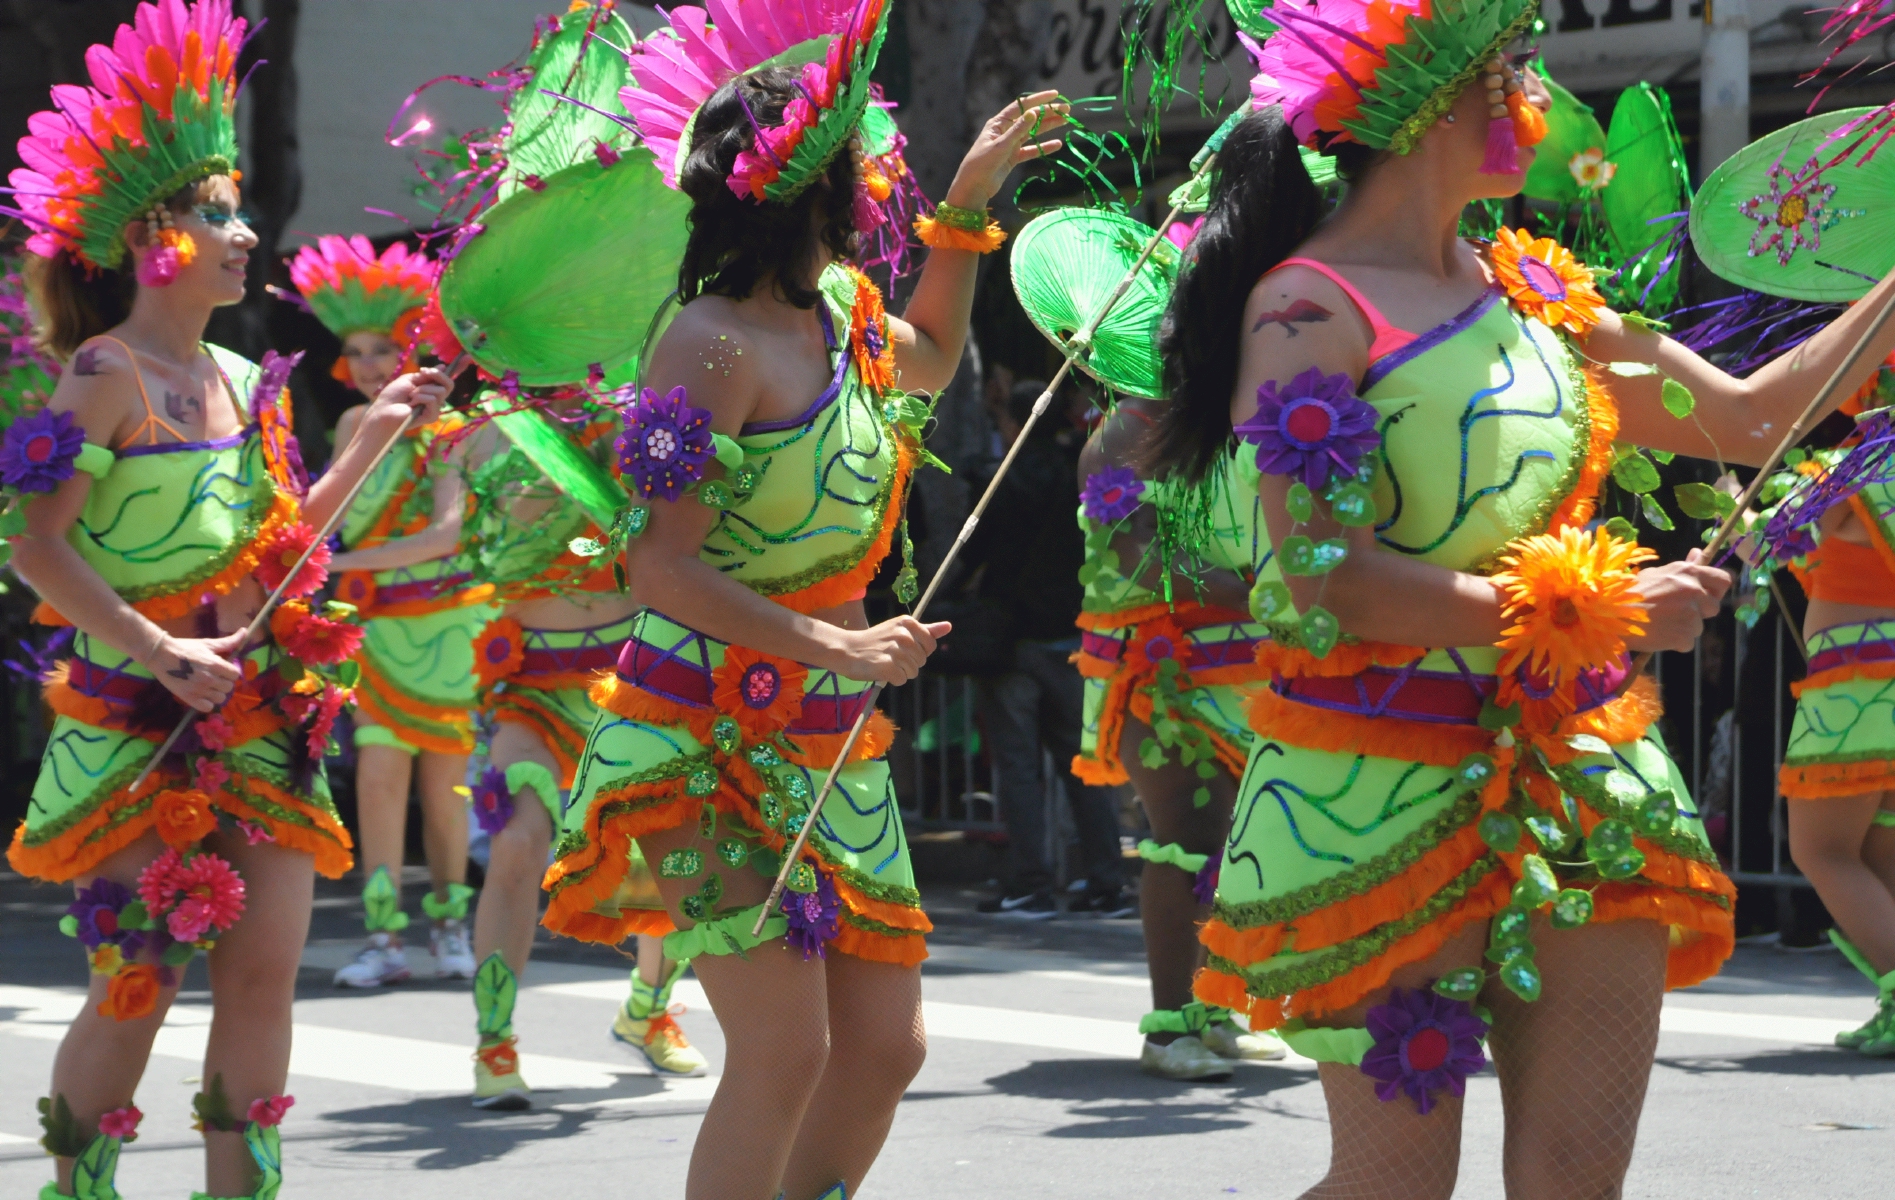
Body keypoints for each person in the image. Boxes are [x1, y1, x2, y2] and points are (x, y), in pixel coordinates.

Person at [1148, 0, 1895, 1192]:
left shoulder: (1533, 292)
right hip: (1373, 795)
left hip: (1583, 789)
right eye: (1512, 66)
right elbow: (1323, 578)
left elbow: (1751, 417)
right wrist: (1596, 611)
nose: (1534, 93)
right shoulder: (1309, 307)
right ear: (1442, 96)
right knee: (1396, 1182)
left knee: (1575, 1179)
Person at [536, 2, 1066, 1195]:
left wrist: (967, 207)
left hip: (831, 732)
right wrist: (832, 638)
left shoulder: (849, 322)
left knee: (885, 1050)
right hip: (695, 738)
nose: (883, 175)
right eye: (865, 160)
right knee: (783, 1052)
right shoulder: (706, 346)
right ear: (806, 187)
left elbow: (930, 353)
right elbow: (658, 567)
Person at [2, 4, 447, 1196]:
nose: (244, 233)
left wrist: (378, 438)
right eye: (217, 212)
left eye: (236, 207)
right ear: (152, 238)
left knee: (262, 980)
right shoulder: (102, 378)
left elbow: (285, 547)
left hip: (258, 717)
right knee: (135, 983)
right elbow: (34, 549)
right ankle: (77, 1186)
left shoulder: (246, 377)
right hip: (137, 730)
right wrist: (152, 648)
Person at [461, 388, 708, 1108]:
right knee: (516, 844)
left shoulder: (641, 411)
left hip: (634, 674)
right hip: (531, 682)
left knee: (671, 858)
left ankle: (647, 1010)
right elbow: (458, 539)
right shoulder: (485, 429)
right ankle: (494, 1040)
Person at [287, 235, 491, 987]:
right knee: (375, 780)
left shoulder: (451, 435)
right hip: (371, 632)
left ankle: (447, 926)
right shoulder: (350, 427)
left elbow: (444, 539)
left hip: (445, 630)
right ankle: (383, 938)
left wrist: (335, 564)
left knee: (443, 791)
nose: (371, 366)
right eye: (358, 352)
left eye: (384, 350)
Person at [1070, 382, 1287, 1077]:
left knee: (1240, 839)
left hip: (1253, 661)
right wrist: (1254, 587)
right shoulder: (1123, 432)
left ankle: (1214, 1008)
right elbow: (1133, 550)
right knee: (1187, 837)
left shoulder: (1238, 423)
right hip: (1162, 664)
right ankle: (1168, 1029)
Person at [968, 379, 1131, 921]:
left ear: (1014, 423)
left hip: (1014, 640)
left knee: (1018, 770)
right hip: (1073, 632)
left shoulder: (1003, 481)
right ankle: (1106, 879)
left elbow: (980, 554)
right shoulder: (1078, 473)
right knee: (1082, 766)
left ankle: (1030, 882)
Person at [1778, 358, 1895, 1056]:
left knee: (1820, 848)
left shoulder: (1858, 469)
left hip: (1855, 683)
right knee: (1877, 854)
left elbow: (1771, 535)